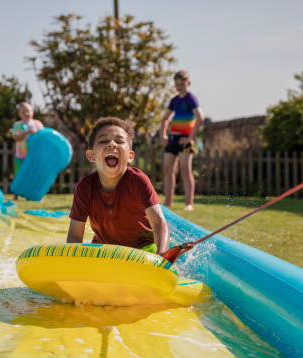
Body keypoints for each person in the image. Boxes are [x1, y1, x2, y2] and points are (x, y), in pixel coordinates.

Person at [67, 117, 169, 255]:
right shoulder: (85, 187)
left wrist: (162, 254)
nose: (112, 144)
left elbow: (158, 223)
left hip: (142, 250)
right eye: (103, 141)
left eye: (120, 141)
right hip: (103, 251)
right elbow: (74, 235)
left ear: (130, 156)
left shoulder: (138, 181)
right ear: (91, 155)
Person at [159, 70, 204, 211]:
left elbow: (200, 117)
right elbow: (165, 118)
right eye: (177, 84)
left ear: (188, 84)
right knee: (167, 169)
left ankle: (189, 203)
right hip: (172, 138)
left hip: (185, 140)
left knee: (185, 170)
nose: (180, 87)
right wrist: (163, 135)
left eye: (182, 84)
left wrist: (190, 138)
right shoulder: (174, 100)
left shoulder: (191, 99)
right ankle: (167, 201)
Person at [10, 102, 43, 199]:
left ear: (32, 112)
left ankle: (32, 195)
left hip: (34, 156)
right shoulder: (17, 125)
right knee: (19, 175)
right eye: (23, 112)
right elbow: (17, 138)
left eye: (28, 111)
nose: (26, 114)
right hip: (21, 155)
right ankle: (16, 195)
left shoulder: (37, 124)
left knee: (33, 175)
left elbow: (42, 137)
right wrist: (27, 132)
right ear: (19, 114)